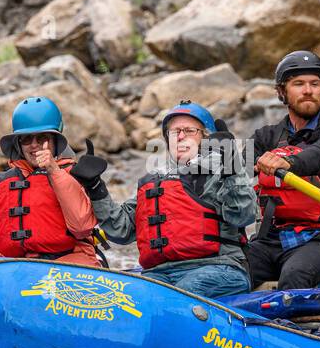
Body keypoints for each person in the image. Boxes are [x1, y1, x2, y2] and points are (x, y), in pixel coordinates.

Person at [79, 100, 257, 298]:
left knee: (175, 295)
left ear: (206, 137)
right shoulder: (154, 182)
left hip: (219, 268)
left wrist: (232, 167)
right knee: (128, 299)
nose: (180, 137)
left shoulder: (219, 174)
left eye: (189, 131)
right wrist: (96, 188)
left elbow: (244, 215)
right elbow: (121, 230)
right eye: (174, 132)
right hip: (160, 273)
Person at [249, 50, 320, 290]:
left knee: (295, 275)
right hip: (271, 239)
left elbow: (317, 156)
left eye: (314, 84)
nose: (308, 90)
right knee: (233, 272)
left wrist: (287, 162)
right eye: (298, 84)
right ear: (282, 92)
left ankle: (285, 327)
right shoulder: (266, 136)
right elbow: (234, 167)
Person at [0, 96, 102, 267]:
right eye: (26, 139)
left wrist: (54, 171)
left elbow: (82, 227)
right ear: (18, 144)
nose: (34, 145)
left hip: (70, 266)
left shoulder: (73, 176)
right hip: (15, 268)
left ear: (55, 141)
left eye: (42, 138)